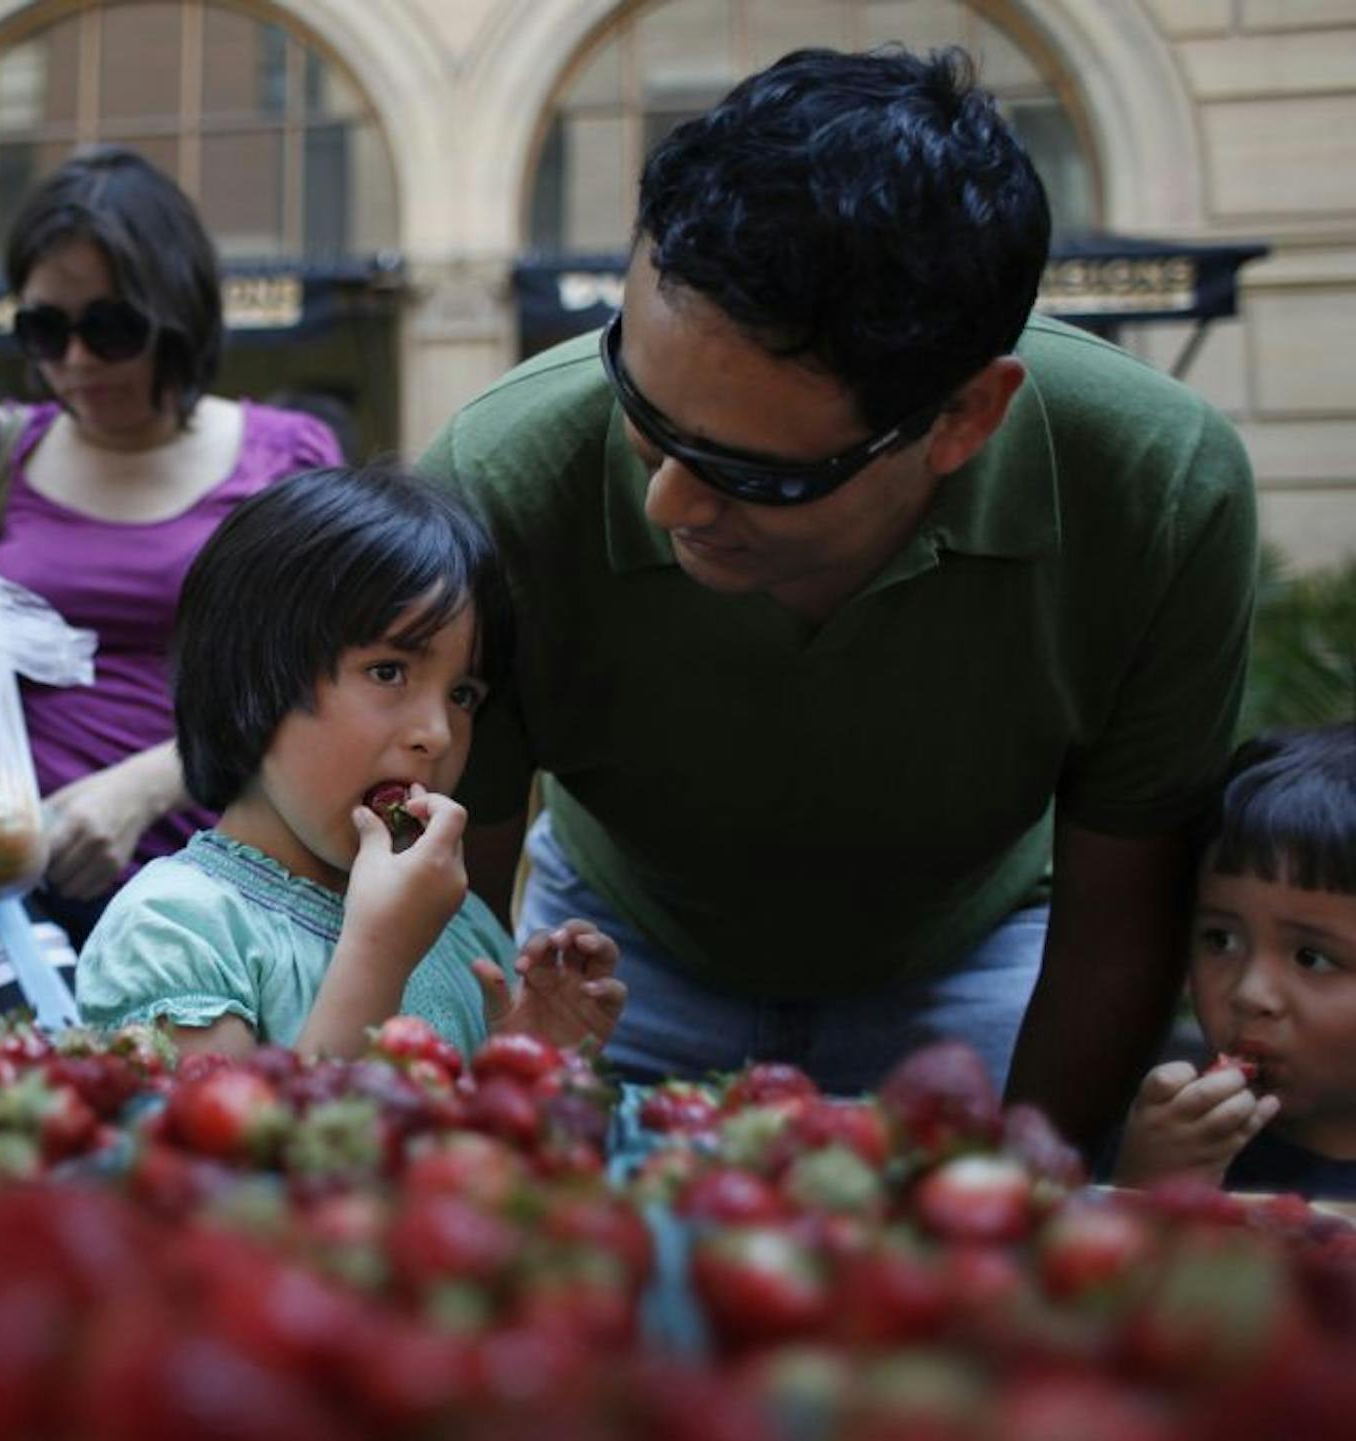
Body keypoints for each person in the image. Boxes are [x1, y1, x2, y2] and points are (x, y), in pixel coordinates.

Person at [421, 47, 1256, 1147]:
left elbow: (1122, 916)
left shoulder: (1156, 486)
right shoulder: (498, 475)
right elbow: (446, 898)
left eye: (759, 474)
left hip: (978, 963)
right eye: (641, 405)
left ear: (964, 419)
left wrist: (1029, 1187)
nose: (669, 499)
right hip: (606, 961)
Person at [0, 147, 342, 944]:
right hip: (8, 904)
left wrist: (148, 787)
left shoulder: (287, 457)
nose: (74, 361)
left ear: (177, 313)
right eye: (45, 328)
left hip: (220, 904)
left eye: (110, 327)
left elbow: (334, 681)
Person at [76, 466, 627, 1060]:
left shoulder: (460, 926)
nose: (437, 734)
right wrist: (379, 950)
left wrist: (530, 1064)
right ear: (254, 681)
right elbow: (241, 1150)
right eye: (388, 671)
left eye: (463, 694)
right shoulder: (176, 930)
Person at [1115, 726, 1356, 1198]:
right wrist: (1153, 1187)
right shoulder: (1170, 1141)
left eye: (1312, 957)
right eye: (1220, 940)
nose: (1249, 993)